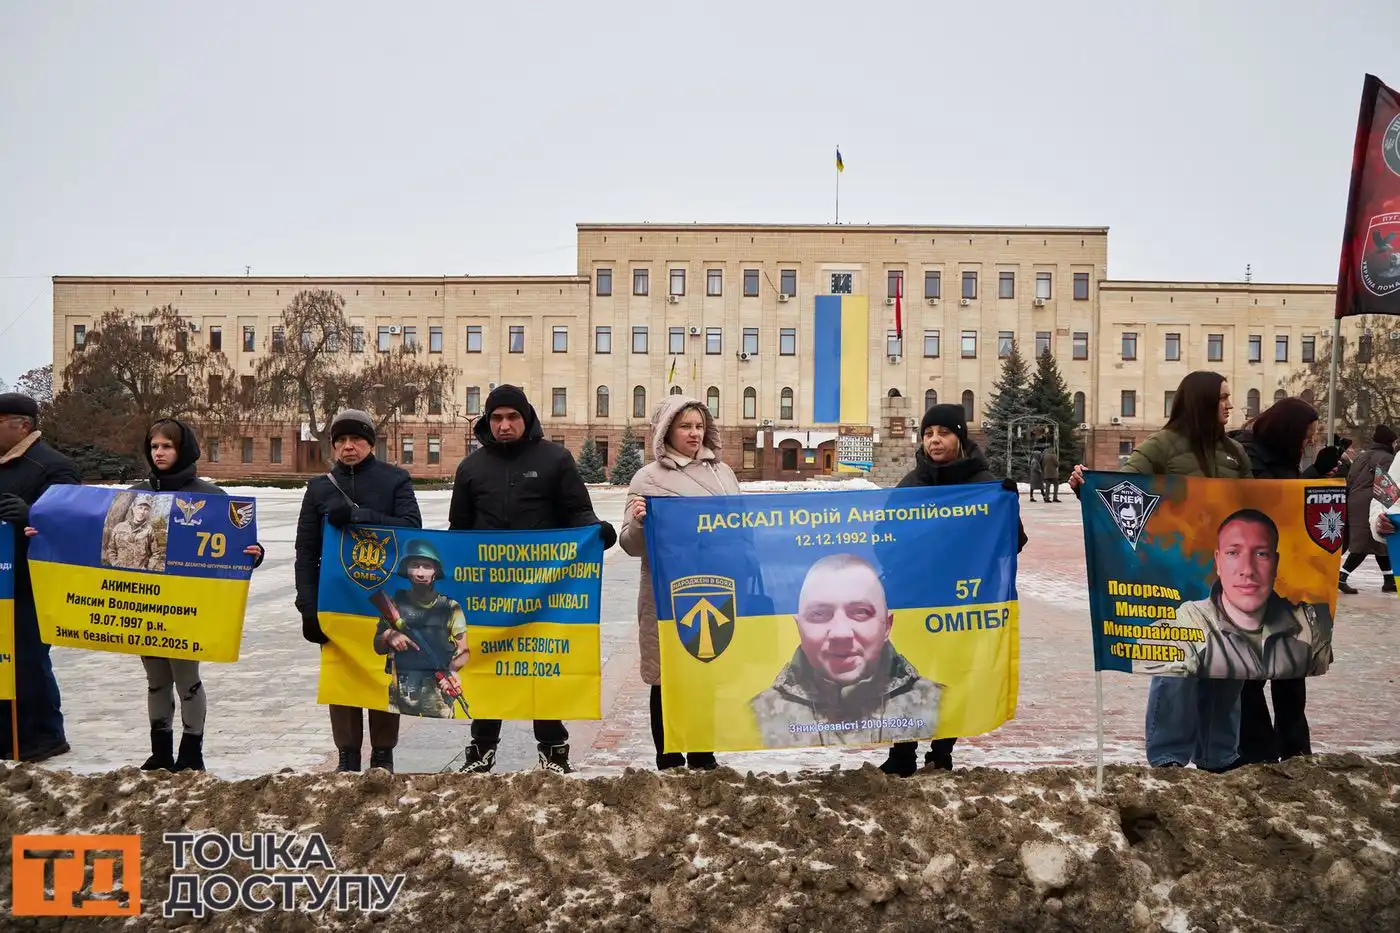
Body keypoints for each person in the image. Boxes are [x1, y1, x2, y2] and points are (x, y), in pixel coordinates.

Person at [1069, 371, 1250, 772]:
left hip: (1227, 585)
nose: (1229, 405)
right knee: (1178, 669)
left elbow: (1255, 509)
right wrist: (1089, 486)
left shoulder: (1236, 454)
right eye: (1222, 397)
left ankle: (1219, 756)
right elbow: (1122, 491)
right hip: (1175, 580)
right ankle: (1168, 757)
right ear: (1202, 401)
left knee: (1229, 668)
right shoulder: (1162, 446)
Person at [448, 385, 617, 774]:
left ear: (527, 419)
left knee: (542, 666)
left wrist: (595, 533)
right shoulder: (471, 469)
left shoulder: (555, 459)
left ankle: (554, 749)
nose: (504, 425)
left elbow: (577, 512)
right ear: (487, 423)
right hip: (488, 591)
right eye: (496, 418)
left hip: (545, 589)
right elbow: (459, 529)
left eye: (512, 417)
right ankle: (482, 748)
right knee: (489, 665)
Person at [879, 403, 1027, 777]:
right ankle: (902, 751)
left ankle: (941, 751)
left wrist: (1006, 506)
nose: (934, 440)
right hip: (914, 597)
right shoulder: (912, 484)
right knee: (910, 673)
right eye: (928, 434)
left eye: (943, 432)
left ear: (959, 437)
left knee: (954, 672)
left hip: (963, 599)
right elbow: (882, 537)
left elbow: (1012, 541)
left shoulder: (982, 485)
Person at [295, 409, 422, 773]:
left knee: (385, 675)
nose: (348, 447)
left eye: (356, 440)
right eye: (341, 441)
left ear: (370, 443)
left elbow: (412, 527)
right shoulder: (319, 488)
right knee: (343, 677)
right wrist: (308, 607)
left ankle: (383, 756)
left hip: (384, 600)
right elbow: (307, 551)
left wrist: (358, 516)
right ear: (333, 446)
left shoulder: (395, 480)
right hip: (336, 603)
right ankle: (347, 756)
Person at [619, 394, 740, 771]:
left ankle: (703, 754)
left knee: (706, 671)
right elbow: (629, 544)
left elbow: (740, 531)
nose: (693, 433)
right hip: (667, 595)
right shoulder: (649, 478)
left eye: (699, 425)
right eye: (685, 426)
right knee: (666, 678)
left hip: (716, 588)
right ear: (666, 430)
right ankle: (669, 758)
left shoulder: (723, 474)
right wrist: (639, 521)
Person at [751, 553, 943, 749]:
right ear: (799, 627)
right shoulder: (754, 717)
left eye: (860, 612)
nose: (840, 634)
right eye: (819, 614)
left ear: (887, 625)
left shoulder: (940, 705)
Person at [1229, 398, 1325, 763]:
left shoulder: (1285, 460)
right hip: (1249, 579)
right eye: (1305, 438)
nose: (1306, 445)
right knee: (1251, 670)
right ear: (1287, 433)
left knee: (1290, 664)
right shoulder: (1246, 456)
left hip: (1285, 578)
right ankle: (1258, 750)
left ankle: (1295, 745)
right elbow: (1258, 504)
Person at [0, 393, 79, 762]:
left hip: (33, 584)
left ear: (24, 425)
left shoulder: (53, 466)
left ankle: (46, 735)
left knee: (30, 659)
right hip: (1, 581)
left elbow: (72, 524)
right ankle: (8, 733)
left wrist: (31, 514)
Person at [1169, 510, 1332, 679]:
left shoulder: (1313, 624)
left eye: (1261, 554)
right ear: (1218, 561)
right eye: (1233, 553)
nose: (1247, 570)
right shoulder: (1186, 622)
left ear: (1275, 564)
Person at [372, 540, 469, 719]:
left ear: (435, 572)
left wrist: (452, 670)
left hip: (437, 690)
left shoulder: (451, 607)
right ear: (406, 570)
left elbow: (464, 650)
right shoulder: (394, 604)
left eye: (427, 566)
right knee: (391, 736)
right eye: (415, 566)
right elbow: (377, 647)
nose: (420, 573)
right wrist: (388, 635)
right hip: (400, 686)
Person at [1339, 425, 1396, 594]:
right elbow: (1387, 484)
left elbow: (1350, 477)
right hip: (1370, 502)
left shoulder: (1362, 457)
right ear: (1389, 442)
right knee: (1364, 542)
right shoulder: (1386, 458)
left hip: (1355, 500)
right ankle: (1341, 577)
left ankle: (1389, 580)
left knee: (1378, 541)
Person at [103, 494, 164, 571]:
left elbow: (156, 553)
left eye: (146, 509)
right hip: (120, 571)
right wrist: (115, 563)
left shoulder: (149, 530)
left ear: (148, 512)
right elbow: (111, 548)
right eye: (140, 508)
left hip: (139, 574)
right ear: (133, 509)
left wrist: (148, 568)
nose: (142, 512)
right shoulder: (119, 527)